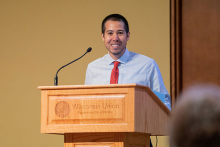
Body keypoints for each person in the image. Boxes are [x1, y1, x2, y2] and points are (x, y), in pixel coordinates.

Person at [85, 13, 171, 110]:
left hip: (138, 123)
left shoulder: (147, 65)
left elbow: (164, 103)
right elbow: (88, 104)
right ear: (103, 36)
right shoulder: (93, 68)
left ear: (128, 36)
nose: (115, 38)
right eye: (110, 33)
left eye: (120, 33)